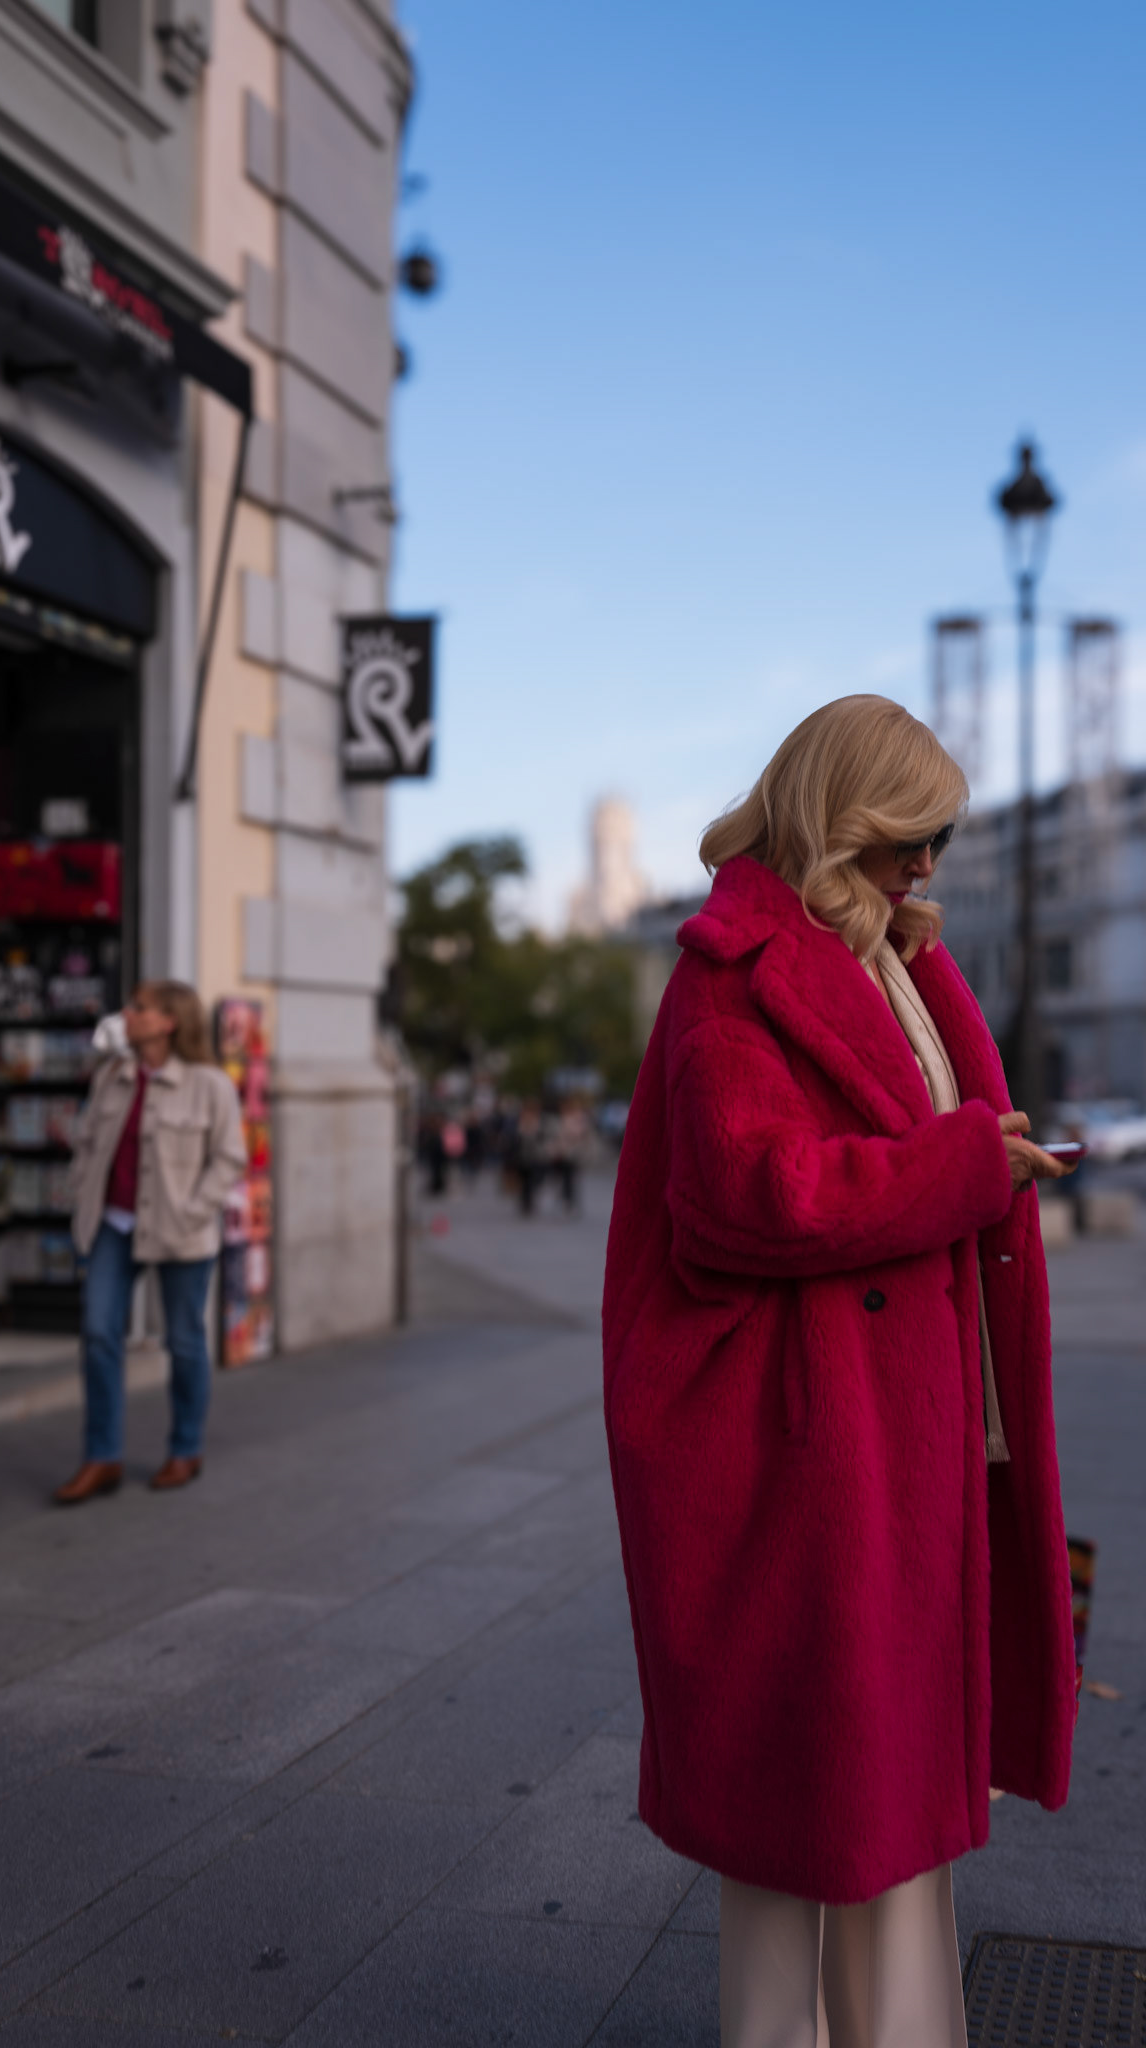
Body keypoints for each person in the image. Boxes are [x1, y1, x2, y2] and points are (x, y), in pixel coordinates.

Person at [602, 696, 1080, 2048]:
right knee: (816, 1797)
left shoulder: (895, 959)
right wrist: (966, 1166)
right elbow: (750, 1193)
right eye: (906, 836)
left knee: (889, 1790)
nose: (926, 863)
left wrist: (981, 1158)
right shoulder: (735, 966)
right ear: (842, 817)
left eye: (938, 837)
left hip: (903, 1421)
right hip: (813, 1440)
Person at [54, 980, 247, 1505]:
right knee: (98, 1333)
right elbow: (89, 1142)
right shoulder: (112, 1076)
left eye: (139, 1008)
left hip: (179, 1232)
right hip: (112, 1226)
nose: (128, 1015)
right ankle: (102, 1457)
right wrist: (79, 1190)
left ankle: (185, 1448)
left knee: (183, 1341)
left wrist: (191, 1212)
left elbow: (230, 1158)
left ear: (169, 1022)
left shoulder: (209, 1085)